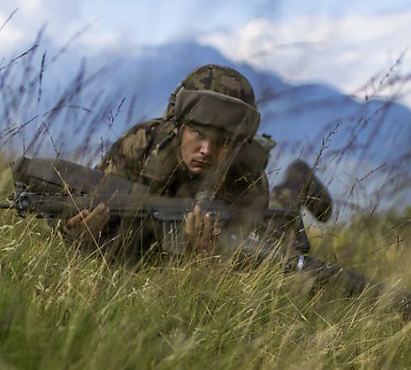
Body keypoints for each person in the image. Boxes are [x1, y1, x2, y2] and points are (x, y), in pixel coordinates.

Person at [64, 63, 331, 255]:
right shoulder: (141, 145)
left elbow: (252, 265)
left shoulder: (245, 173)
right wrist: (79, 236)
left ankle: (297, 181)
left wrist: (206, 255)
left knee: (280, 214)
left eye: (222, 141)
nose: (206, 149)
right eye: (198, 133)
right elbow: (92, 205)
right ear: (178, 126)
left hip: (238, 210)